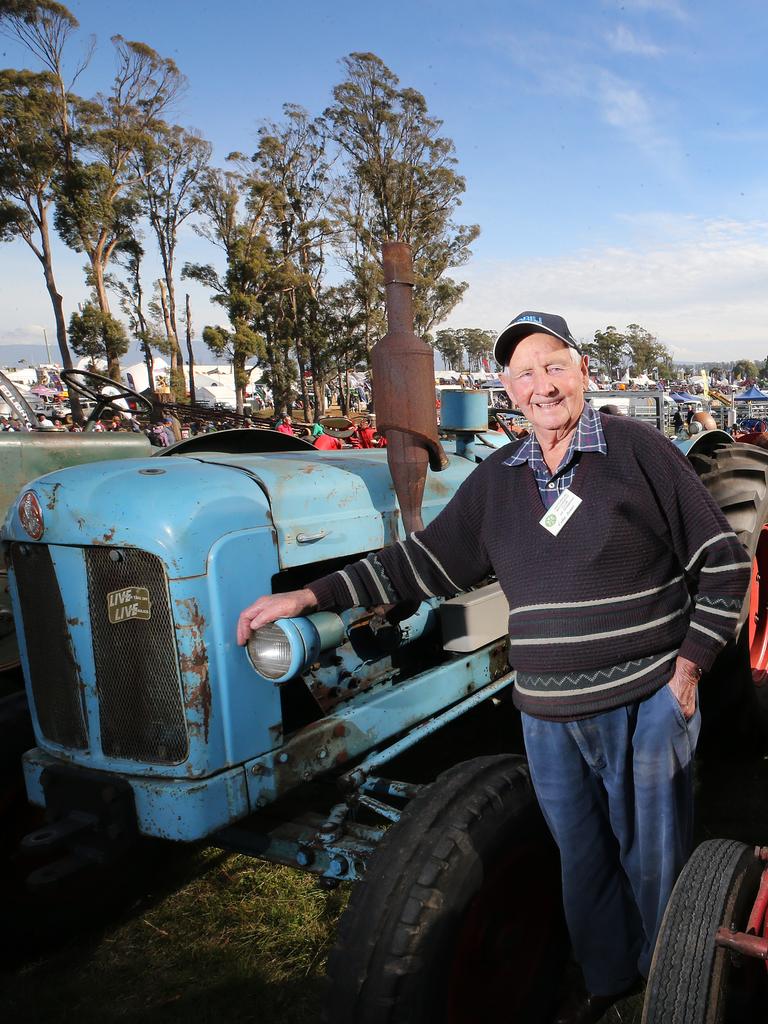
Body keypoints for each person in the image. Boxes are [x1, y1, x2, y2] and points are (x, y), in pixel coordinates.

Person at [237, 311, 750, 1024]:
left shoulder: (639, 451)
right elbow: (421, 563)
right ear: (505, 388)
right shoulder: (500, 477)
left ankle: (668, 981)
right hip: (546, 717)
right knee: (580, 860)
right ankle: (606, 979)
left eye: (554, 365)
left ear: (583, 371)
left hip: (645, 702)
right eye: (525, 372)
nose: (542, 385)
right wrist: (308, 593)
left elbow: (724, 560)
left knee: (654, 858)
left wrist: (690, 669)